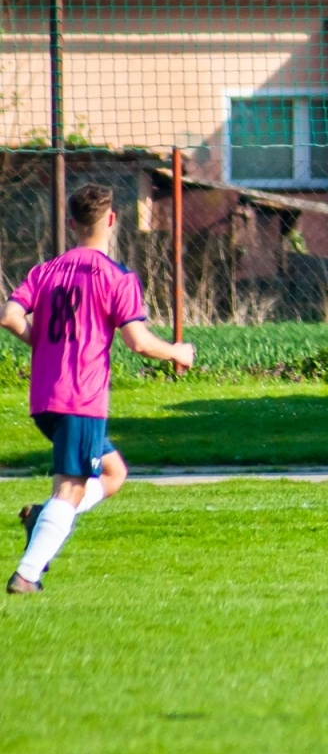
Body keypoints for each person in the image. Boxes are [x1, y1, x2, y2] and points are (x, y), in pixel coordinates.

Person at [4, 184, 195, 595]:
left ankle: (44, 517)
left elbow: (9, 315)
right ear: (111, 221)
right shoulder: (117, 277)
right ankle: (27, 573)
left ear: (72, 224)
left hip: (45, 400)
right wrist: (177, 351)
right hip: (81, 399)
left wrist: (38, 339)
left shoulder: (46, 271)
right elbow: (138, 341)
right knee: (70, 487)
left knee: (113, 472)